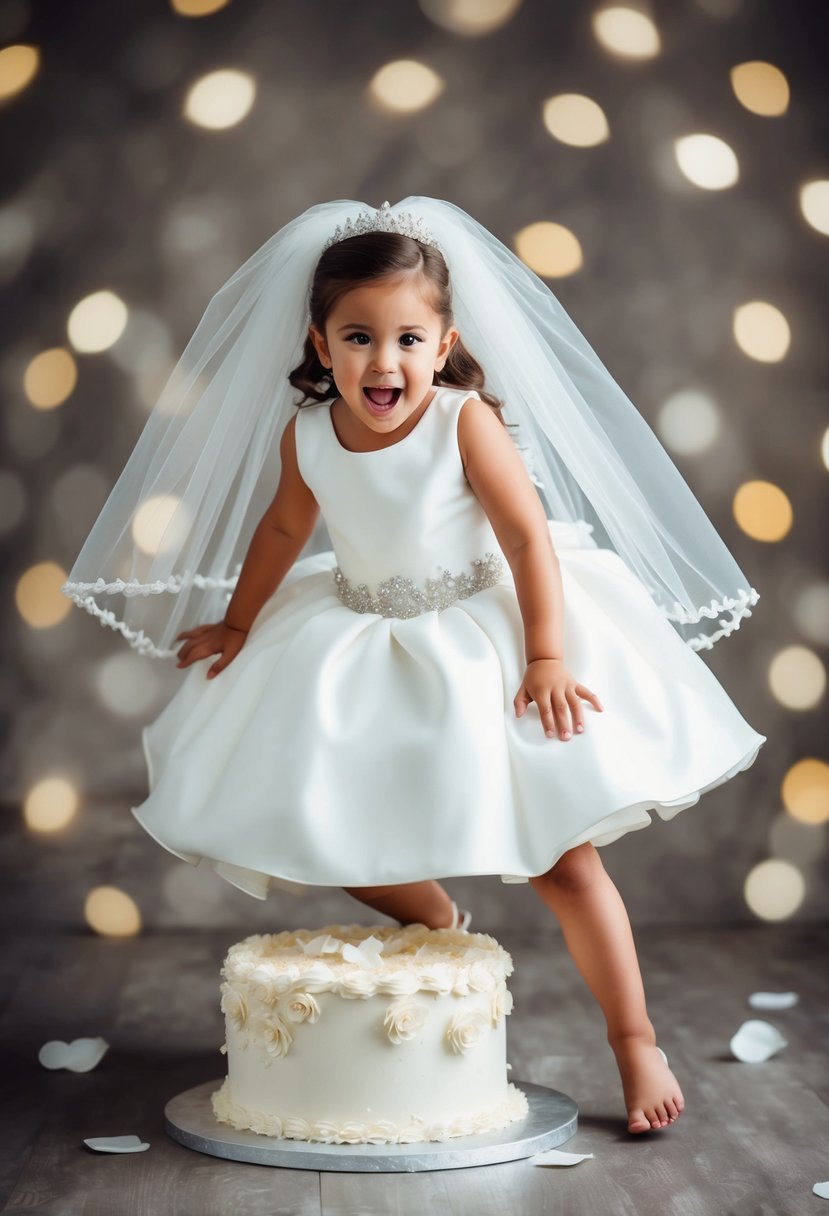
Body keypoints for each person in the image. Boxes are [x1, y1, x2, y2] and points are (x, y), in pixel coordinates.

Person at [62, 198, 767, 1135]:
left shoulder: (462, 422)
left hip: (488, 636)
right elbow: (283, 527)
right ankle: (436, 920)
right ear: (319, 344)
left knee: (564, 859)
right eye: (357, 337)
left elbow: (524, 538)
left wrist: (546, 652)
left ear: (443, 346)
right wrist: (237, 623)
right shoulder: (309, 435)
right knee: (322, 821)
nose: (381, 363)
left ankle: (635, 1040)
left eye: (405, 339)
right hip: (362, 638)